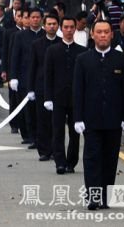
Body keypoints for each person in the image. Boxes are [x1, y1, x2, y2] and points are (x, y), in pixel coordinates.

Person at [73, 20, 124, 210]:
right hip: (90, 120)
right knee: (91, 158)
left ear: (111, 35)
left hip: (114, 120)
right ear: (92, 35)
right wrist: (77, 118)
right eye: (98, 32)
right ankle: (93, 197)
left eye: (106, 32)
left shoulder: (121, 59)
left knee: (109, 159)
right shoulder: (83, 59)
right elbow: (78, 90)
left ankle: (106, 197)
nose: (102, 35)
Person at [44, 16, 86, 174]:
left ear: (75, 28)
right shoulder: (52, 50)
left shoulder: (82, 52)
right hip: (57, 97)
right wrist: (48, 98)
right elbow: (48, 75)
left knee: (75, 132)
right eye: (66, 27)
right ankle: (59, 162)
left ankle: (71, 162)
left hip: (76, 99)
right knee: (57, 131)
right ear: (62, 28)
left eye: (71, 27)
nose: (69, 30)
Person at [10, 8, 45, 147]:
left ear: (42, 18)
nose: (35, 19)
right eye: (33, 17)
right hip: (24, 77)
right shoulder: (20, 36)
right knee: (27, 110)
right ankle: (28, 135)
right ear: (29, 19)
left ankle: (39, 137)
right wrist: (13, 76)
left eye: (38, 17)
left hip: (41, 78)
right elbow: (15, 57)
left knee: (39, 111)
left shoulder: (45, 35)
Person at [27, 14, 60, 161]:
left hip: (58, 87)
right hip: (41, 86)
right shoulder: (36, 44)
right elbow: (32, 67)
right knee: (42, 120)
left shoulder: (61, 43)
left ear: (58, 25)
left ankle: (56, 150)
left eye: (54, 24)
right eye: (49, 24)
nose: (52, 26)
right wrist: (31, 89)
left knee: (57, 122)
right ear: (44, 26)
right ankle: (44, 151)